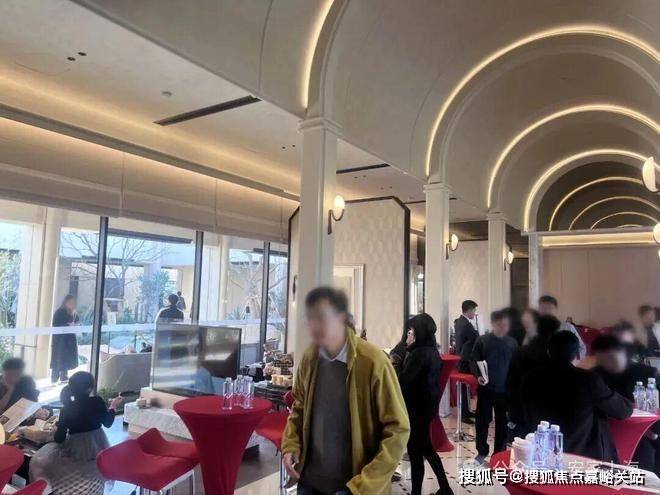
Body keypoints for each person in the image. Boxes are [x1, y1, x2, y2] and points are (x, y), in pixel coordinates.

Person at [282, 287, 409, 494]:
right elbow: (299, 406)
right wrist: (291, 444)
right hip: (310, 480)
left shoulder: (373, 362)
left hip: (354, 486)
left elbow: (398, 429)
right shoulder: (310, 358)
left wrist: (365, 484)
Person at [522, 331, 633, 462]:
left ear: (548, 352)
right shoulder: (588, 380)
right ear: (577, 354)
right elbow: (623, 411)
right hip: (582, 455)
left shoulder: (530, 378)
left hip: (541, 452)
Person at [29, 371, 123, 495]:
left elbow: (59, 438)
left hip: (75, 447)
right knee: (95, 468)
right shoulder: (97, 401)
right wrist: (113, 406)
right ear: (90, 388)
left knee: (38, 462)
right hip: (98, 443)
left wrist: (56, 429)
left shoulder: (67, 408)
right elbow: (108, 423)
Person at [399, 314, 453, 495]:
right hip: (426, 408)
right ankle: (445, 488)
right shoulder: (431, 351)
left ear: (419, 332)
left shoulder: (419, 354)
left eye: (411, 331)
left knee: (417, 451)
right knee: (425, 448)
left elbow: (404, 381)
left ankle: (421, 491)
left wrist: (397, 362)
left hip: (415, 409)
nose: (409, 334)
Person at [592, 334, 660, 473]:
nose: (607, 363)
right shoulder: (595, 375)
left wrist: (652, 432)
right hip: (607, 433)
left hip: (643, 433)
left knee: (641, 471)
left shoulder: (648, 373)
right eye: (602, 358)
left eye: (611, 357)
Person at [471, 310, 518, 462]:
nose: (503, 327)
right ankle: (482, 450)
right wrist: (478, 376)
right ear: (493, 324)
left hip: (504, 390)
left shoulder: (512, 343)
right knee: (482, 421)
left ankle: (499, 453)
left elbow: (516, 366)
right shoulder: (482, 341)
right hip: (486, 388)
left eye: (506, 324)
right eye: (500, 324)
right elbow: (474, 360)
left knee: (502, 423)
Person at [507, 314, 561, 438]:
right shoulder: (556, 355)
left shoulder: (522, 351)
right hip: (548, 410)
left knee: (523, 445)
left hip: (522, 407)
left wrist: (511, 410)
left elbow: (511, 382)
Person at [0, 358, 49, 423]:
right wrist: (10, 390)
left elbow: (32, 402)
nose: (12, 378)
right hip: (6, 419)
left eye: (16, 375)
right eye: (9, 375)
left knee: (48, 412)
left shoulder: (27, 381)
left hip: (23, 415)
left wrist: (38, 411)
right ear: (3, 372)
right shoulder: (1, 384)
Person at [454, 300, 479, 423]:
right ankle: (464, 414)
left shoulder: (459, 321)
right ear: (468, 310)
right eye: (474, 310)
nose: (474, 313)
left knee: (465, 387)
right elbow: (476, 338)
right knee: (464, 387)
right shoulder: (466, 324)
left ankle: (466, 410)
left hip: (461, 357)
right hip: (465, 358)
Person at [538, 295, 586, 360]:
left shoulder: (568, 327)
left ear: (555, 310)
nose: (546, 311)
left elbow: (582, 348)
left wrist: (572, 361)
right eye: (543, 308)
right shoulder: (533, 329)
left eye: (549, 308)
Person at [51, 295, 80, 383]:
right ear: (65, 303)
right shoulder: (59, 312)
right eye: (70, 303)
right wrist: (67, 325)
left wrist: (75, 325)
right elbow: (55, 324)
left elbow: (77, 322)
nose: (71, 304)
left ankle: (64, 376)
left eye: (73, 303)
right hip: (60, 340)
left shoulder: (74, 313)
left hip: (69, 340)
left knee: (66, 358)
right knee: (58, 358)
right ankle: (54, 377)